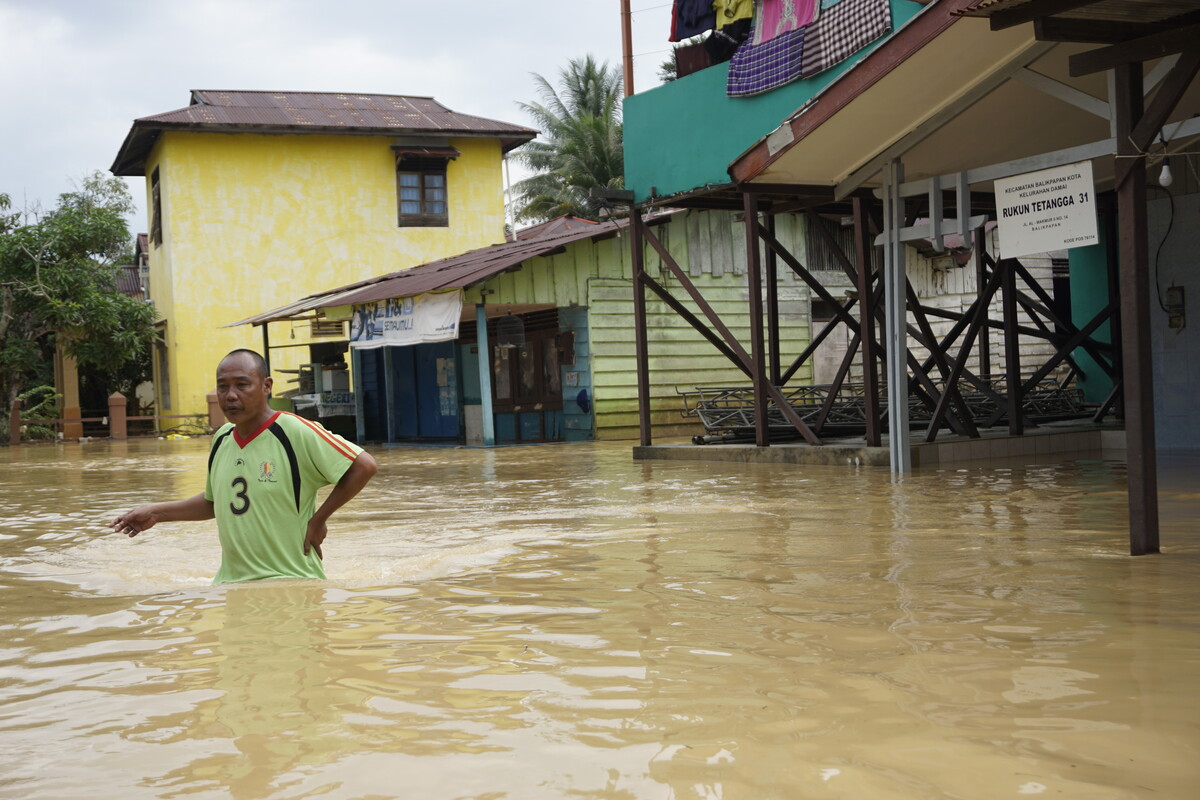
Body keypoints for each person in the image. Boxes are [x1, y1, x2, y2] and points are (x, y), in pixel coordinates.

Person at [111, 348, 378, 584]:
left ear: (266, 386)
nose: (230, 396)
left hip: (292, 584)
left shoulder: (294, 431)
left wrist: (319, 519)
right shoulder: (222, 438)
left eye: (242, 385)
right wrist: (156, 513)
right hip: (231, 584)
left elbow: (364, 466)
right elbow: (215, 503)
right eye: (223, 387)